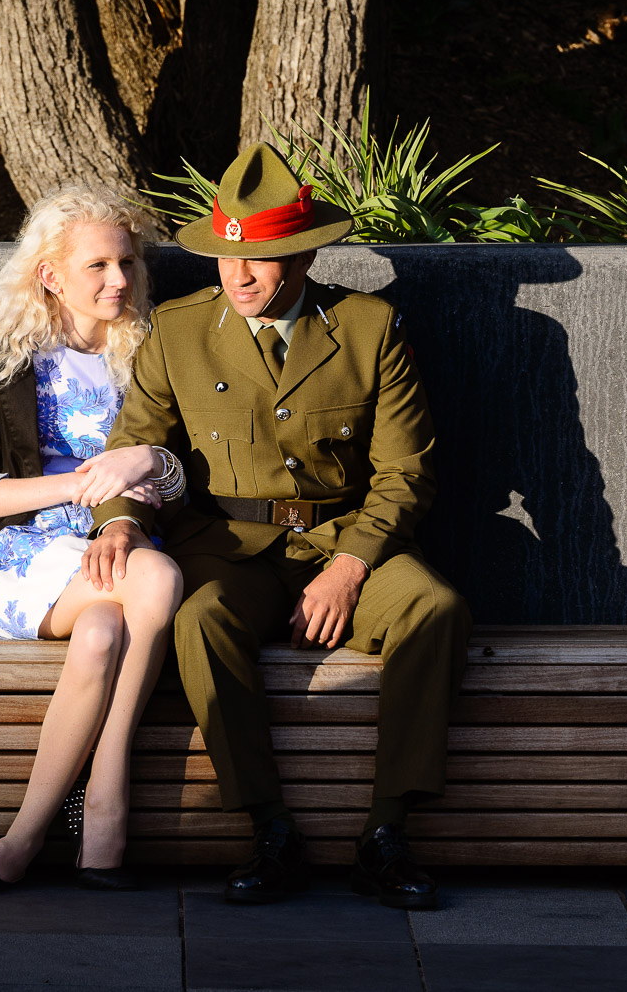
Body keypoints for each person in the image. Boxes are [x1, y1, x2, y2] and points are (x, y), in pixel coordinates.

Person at [85, 143, 472, 910]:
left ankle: (387, 832)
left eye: (260, 259)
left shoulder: (368, 328)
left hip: (345, 537)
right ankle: (270, 830)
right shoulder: (181, 331)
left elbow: (406, 473)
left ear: (302, 256)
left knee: (435, 608)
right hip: (231, 549)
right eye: (229, 256)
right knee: (201, 619)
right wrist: (121, 523)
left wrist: (352, 566)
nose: (239, 275)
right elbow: (134, 446)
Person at [0, 186, 185, 892]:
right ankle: (106, 800)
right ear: (50, 274)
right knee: (158, 582)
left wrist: (145, 475)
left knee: (104, 633)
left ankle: (21, 839)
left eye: (128, 262)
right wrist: (83, 484)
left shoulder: (153, 346)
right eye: (99, 266)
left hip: (120, 547)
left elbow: (181, 473)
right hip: (25, 554)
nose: (121, 281)